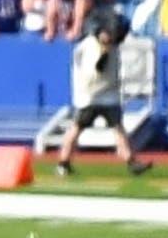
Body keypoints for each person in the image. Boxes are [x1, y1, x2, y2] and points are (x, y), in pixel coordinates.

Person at [57, 10, 151, 177]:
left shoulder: (112, 46)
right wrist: (103, 54)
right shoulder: (90, 46)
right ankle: (63, 162)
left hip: (109, 94)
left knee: (118, 128)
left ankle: (131, 161)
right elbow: (95, 71)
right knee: (77, 127)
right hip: (91, 95)